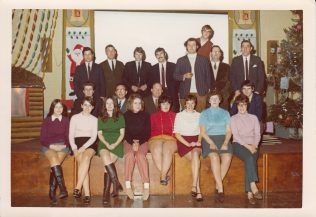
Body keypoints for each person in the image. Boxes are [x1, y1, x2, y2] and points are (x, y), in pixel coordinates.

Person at [199, 91, 232, 203]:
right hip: (209, 138)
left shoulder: (225, 113)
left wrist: (226, 142)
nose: (214, 100)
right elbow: (202, 132)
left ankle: (218, 184)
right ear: (209, 101)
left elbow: (228, 131)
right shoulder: (204, 113)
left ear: (220, 100)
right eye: (212, 98)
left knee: (227, 157)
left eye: (216, 98)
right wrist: (211, 142)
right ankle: (221, 189)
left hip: (223, 138)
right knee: (214, 157)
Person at [230, 94, 263, 205]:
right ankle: (253, 185)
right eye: (239, 105)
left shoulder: (254, 118)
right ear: (237, 106)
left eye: (244, 105)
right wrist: (248, 146)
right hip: (238, 144)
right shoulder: (233, 118)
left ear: (247, 105)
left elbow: (257, 134)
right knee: (249, 157)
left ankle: (249, 193)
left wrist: (255, 145)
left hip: (253, 145)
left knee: (250, 159)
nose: (242, 107)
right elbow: (236, 136)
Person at [173, 94, 203, 201]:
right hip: (183, 141)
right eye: (188, 103)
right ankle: (197, 189)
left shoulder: (200, 115)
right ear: (184, 104)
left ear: (195, 104)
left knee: (195, 155)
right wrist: (187, 144)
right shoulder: (179, 115)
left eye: (192, 103)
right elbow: (177, 134)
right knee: (196, 161)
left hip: (196, 140)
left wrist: (198, 141)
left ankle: (194, 185)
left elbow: (201, 131)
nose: (190, 105)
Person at [69, 96, 98, 204]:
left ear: (93, 107)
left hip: (90, 144)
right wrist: (74, 148)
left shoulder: (95, 120)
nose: (87, 107)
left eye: (89, 105)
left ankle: (78, 187)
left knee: (86, 157)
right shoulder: (74, 118)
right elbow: (71, 135)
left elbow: (94, 137)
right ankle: (87, 193)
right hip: (76, 144)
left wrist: (84, 147)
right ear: (81, 105)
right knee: (83, 164)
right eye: (85, 105)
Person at [40, 99, 70, 202]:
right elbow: (42, 138)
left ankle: (52, 191)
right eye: (56, 107)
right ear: (52, 108)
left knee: (55, 165)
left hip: (63, 146)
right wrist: (52, 146)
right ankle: (63, 189)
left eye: (60, 107)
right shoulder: (47, 120)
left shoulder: (66, 120)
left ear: (63, 109)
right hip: (49, 146)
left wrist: (64, 145)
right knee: (54, 159)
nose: (58, 109)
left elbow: (68, 136)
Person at [97, 97, 125, 205]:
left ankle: (106, 193)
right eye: (107, 103)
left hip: (117, 143)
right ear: (105, 105)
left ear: (115, 104)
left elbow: (122, 134)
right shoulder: (101, 117)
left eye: (111, 103)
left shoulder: (120, 117)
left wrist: (114, 144)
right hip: (104, 142)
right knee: (105, 158)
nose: (109, 105)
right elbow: (99, 134)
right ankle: (116, 183)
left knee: (106, 167)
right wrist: (107, 143)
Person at [124, 94, 151, 200]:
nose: (138, 105)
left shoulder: (146, 115)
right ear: (130, 103)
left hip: (143, 141)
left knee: (140, 156)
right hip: (128, 141)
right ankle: (127, 185)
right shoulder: (125, 115)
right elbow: (125, 132)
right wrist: (132, 142)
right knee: (130, 155)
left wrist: (138, 142)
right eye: (135, 103)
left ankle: (146, 186)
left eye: (140, 103)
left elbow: (147, 132)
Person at [174, 38, 211, 112]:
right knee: (186, 116)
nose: (191, 47)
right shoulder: (180, 60)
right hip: (185, 93)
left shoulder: (204, 60)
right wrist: (184, 76)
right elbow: (175, 76)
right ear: (186, 47)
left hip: (201, 93)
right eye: (189, 45)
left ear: (197, 46)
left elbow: (208, 76)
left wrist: (207, 89)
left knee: (200, 116)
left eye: (193, 45)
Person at [148, 95, 177, 186]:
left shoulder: (175, 116)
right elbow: (148, 131)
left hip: (171, 139)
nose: (166, 105)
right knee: (157, 148)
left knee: (167, 149)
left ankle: (163, 176)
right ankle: (164, 174)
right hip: (155, 138)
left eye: (168, 103)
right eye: (163, 103)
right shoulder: (152, 116)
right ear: (159, 105)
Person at [149, 47, 180, 112]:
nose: (159, 56)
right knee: (159, 111)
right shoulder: (153, 68)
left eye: (161, 53)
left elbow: (178, 81)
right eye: (157, 54)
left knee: (173, 112)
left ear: (165, 54)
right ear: (156, 56)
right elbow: (151, 83)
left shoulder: (174, 66)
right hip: (159, 93)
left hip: (172, 93)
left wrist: (177, 92)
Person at [209, 45, 231, 110]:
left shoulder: (227, 67)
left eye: (218, 51)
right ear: (210, 54)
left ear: (220, 54)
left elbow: (229, 83)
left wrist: (225, 96)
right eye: (214, 51)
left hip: (223, 99)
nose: (216, 53)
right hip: (209, 99)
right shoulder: (205, 66)